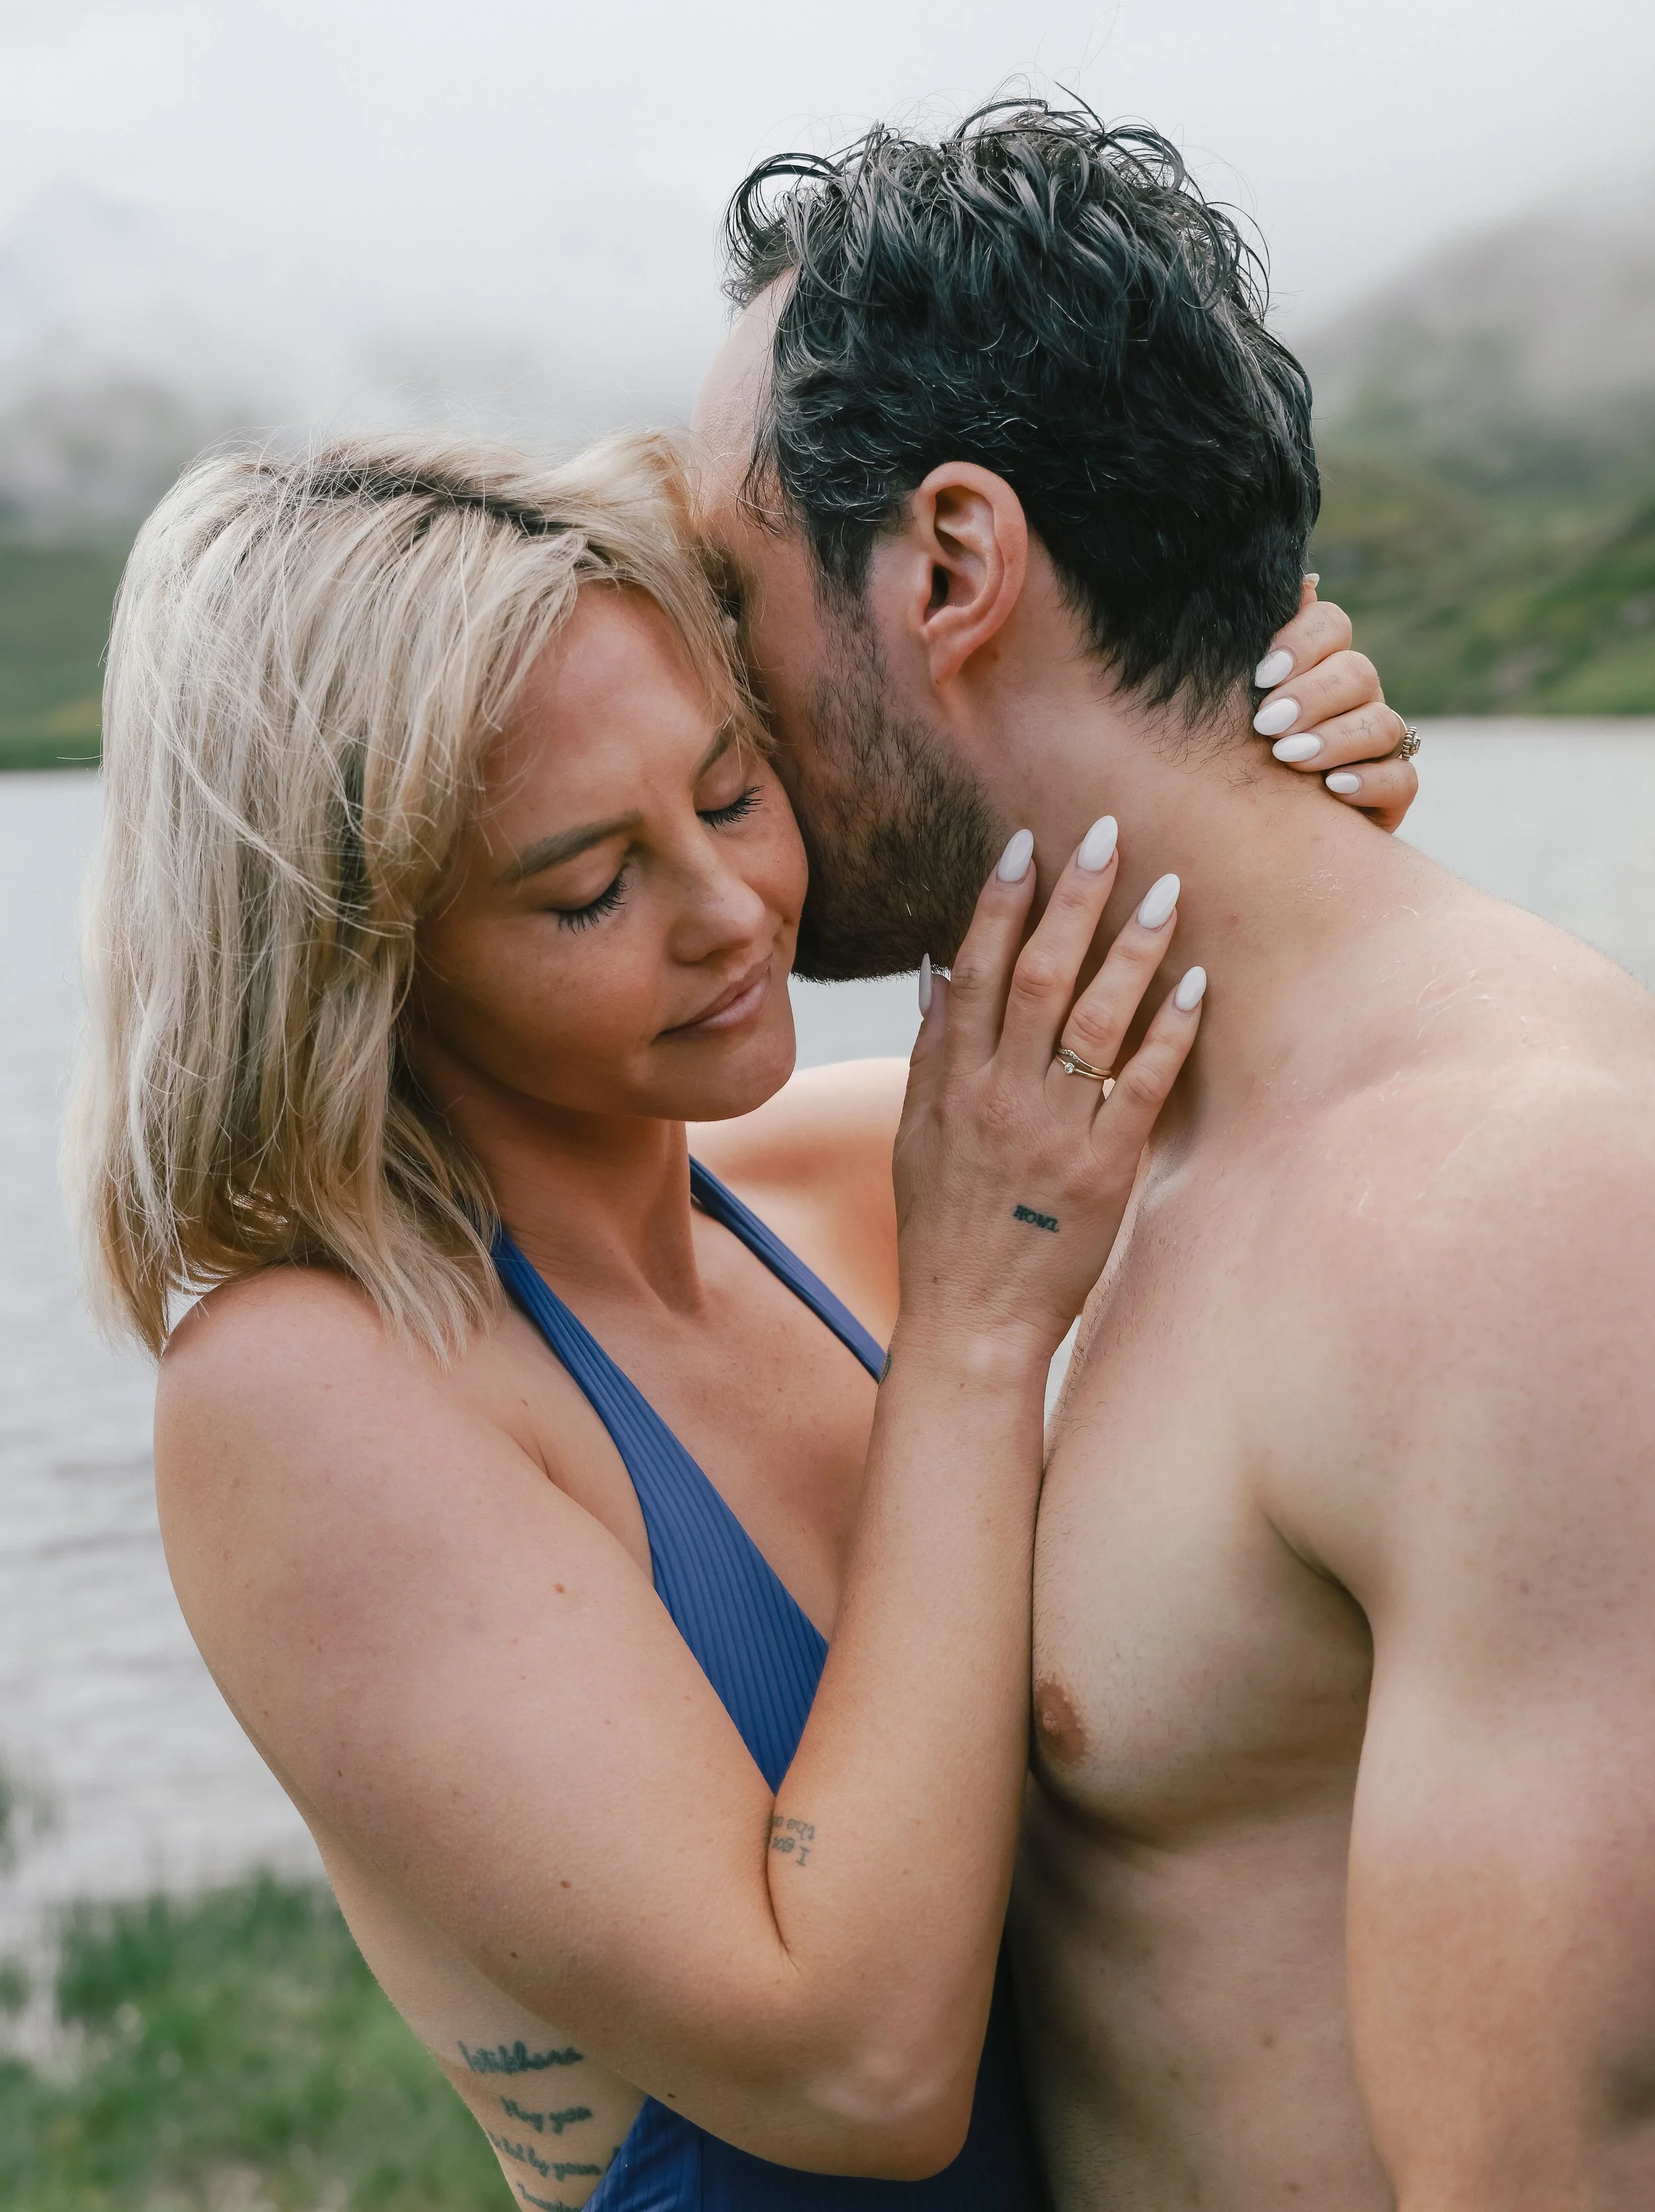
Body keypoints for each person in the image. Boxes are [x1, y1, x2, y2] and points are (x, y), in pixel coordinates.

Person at [70, 428, 1394, 2211]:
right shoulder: (306, 1390)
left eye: (727, 792)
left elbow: (1288, 1054)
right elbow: (855, 2067)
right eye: (588, 887)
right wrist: (979, 1339)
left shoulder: (849, 1183)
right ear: (353, 962)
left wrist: (1269, 754)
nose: (730, 915)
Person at [694, 100, 1655, 2210]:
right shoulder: (1045, 1137)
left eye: (723, 591)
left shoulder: (1512, 1213)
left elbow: (1540, 2167)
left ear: (947, 566)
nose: (704, 698)